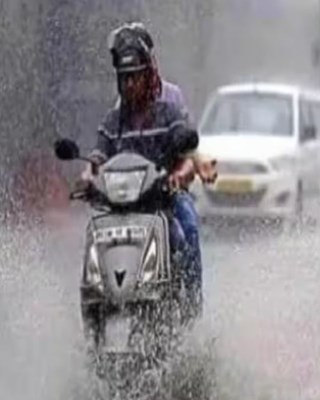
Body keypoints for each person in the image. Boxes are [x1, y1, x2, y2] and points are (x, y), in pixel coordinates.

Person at [83, 23, 212, 318]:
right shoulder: (113, 120)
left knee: (187, 228)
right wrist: (86, 180)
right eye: (124, 78)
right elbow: (96, 161)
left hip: (165, 199)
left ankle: (190, 306)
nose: (130, 85)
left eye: (135, 77)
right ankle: (98, 304)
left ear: (148, 72)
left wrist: (179, 176)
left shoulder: (169, 108)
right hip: (121, 206)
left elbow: (188, 157)